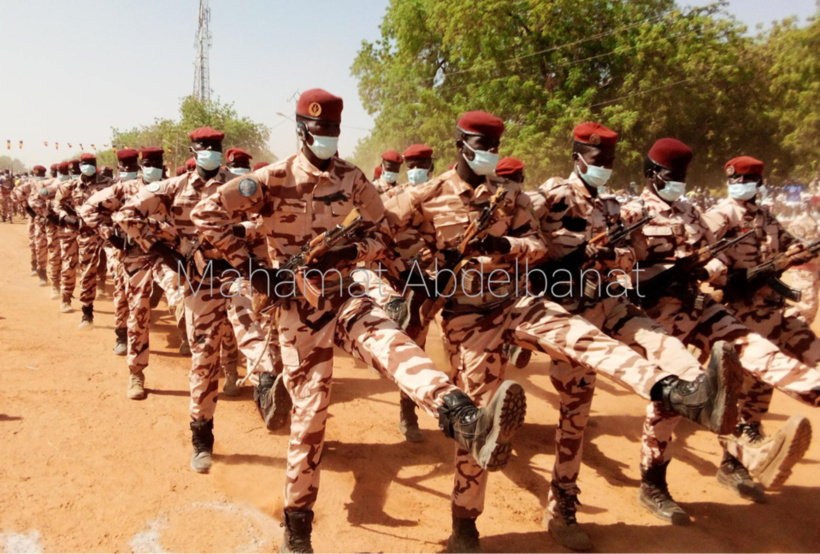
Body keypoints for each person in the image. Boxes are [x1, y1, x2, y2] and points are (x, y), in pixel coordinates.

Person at [191, 90, 528, 553]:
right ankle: (297, 527)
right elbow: (205, 214)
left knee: (397, 348)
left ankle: (465, 417)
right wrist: (257, 271)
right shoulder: (270, 179)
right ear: (302, 130)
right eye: (320, 130)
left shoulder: (351, 178)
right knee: (310, 419)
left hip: (347, 295)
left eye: (334, 130)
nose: (328, 138)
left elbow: (382, 232)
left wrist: (352, 250)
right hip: (297, 313)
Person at [385, 115, 737, 551]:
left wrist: (505, 247)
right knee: (480, 423)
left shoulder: (509, 194)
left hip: (516, 301)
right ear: (459, 144)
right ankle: (465, 526)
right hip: (466, 321)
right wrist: (418, 277)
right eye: (482, 143)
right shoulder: (425, 195)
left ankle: (679, 393)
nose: (491, 152)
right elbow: (380, 235)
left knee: (588, 339)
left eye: (496, 144)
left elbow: (535, 245)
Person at [621, 141, 814, 513]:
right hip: (657, 317)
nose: (678, 182)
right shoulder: (632, 213)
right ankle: (653, 482)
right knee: (674, 401)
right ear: (651, 175)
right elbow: (619, 270)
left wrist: (706, 271)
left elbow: (717, 258)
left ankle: (811, 388)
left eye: (682, 176)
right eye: (671, 175)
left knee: (753, 346)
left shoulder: (692, 212)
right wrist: (654, 278)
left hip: (698, 304)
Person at [116, 127, 292, 470]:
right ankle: (202, 436)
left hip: (236, 274)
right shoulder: (174, 188)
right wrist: (165, 254)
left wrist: (241, 232)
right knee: (203, 360)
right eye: (204, 148)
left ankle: (267, 387)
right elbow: (126, 215)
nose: (210, 152)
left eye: (215, 147)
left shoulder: (241, 186)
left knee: (249, 327)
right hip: (197, 282)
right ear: (194, 151)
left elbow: (265, 221)